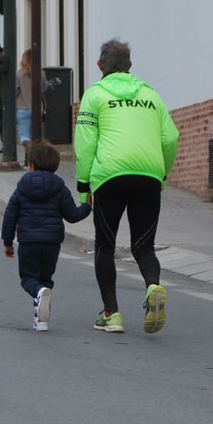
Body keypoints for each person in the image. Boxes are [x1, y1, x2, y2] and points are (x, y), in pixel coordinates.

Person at [74, 38, 179, 335]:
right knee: (143, 245)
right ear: (130, 66)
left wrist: (84, 188)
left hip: (109, 176)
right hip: (148, 174)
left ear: (99, 66)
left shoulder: (94, 95)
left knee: (105, 245)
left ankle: (112, 314)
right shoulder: (151, 95)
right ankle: (153, 287)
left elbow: (85, 144)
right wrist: (161, 174)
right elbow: (171, 138)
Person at [2, 141, 92, 332]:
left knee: (28, 279)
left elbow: (10, 216)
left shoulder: (21, 189)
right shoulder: (60, 188)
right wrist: (87, 206)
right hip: (52, 243)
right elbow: (72, 216)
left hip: (28, 241)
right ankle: (40, 320)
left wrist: (8, 242)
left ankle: (39, 296)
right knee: (45, 279)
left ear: (31, 165)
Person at [16, 49, 36, 150]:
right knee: (35, 134)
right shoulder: (40, 73)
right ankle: (30, 158)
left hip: (22, 108)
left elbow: (15, 91)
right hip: (37, 108)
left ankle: (28, 151)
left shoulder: (18, 74)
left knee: (24, 135)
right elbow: (45, 88)